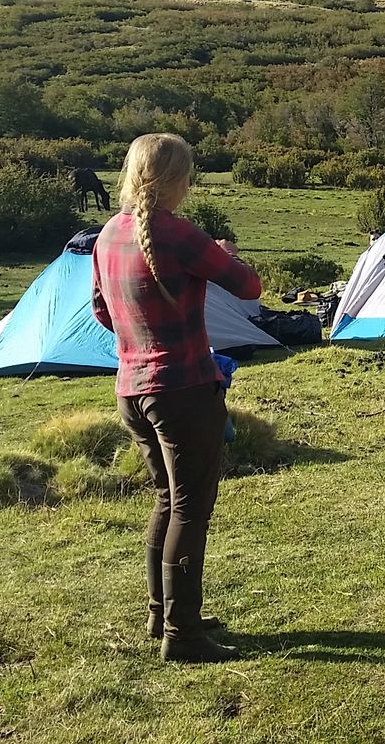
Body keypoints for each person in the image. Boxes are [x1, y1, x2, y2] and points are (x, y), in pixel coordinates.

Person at [91, 133, 261, 664]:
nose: (190, 185)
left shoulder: (108, 235)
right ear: (173, 180)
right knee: (191, 509)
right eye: (188, 176)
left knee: (167, 501)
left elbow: (101, 312)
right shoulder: (180, 235)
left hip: (132, 390)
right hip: (184, 389)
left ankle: (161, 610)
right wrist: (226, 255)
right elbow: (249, 286)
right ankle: (182, 634)